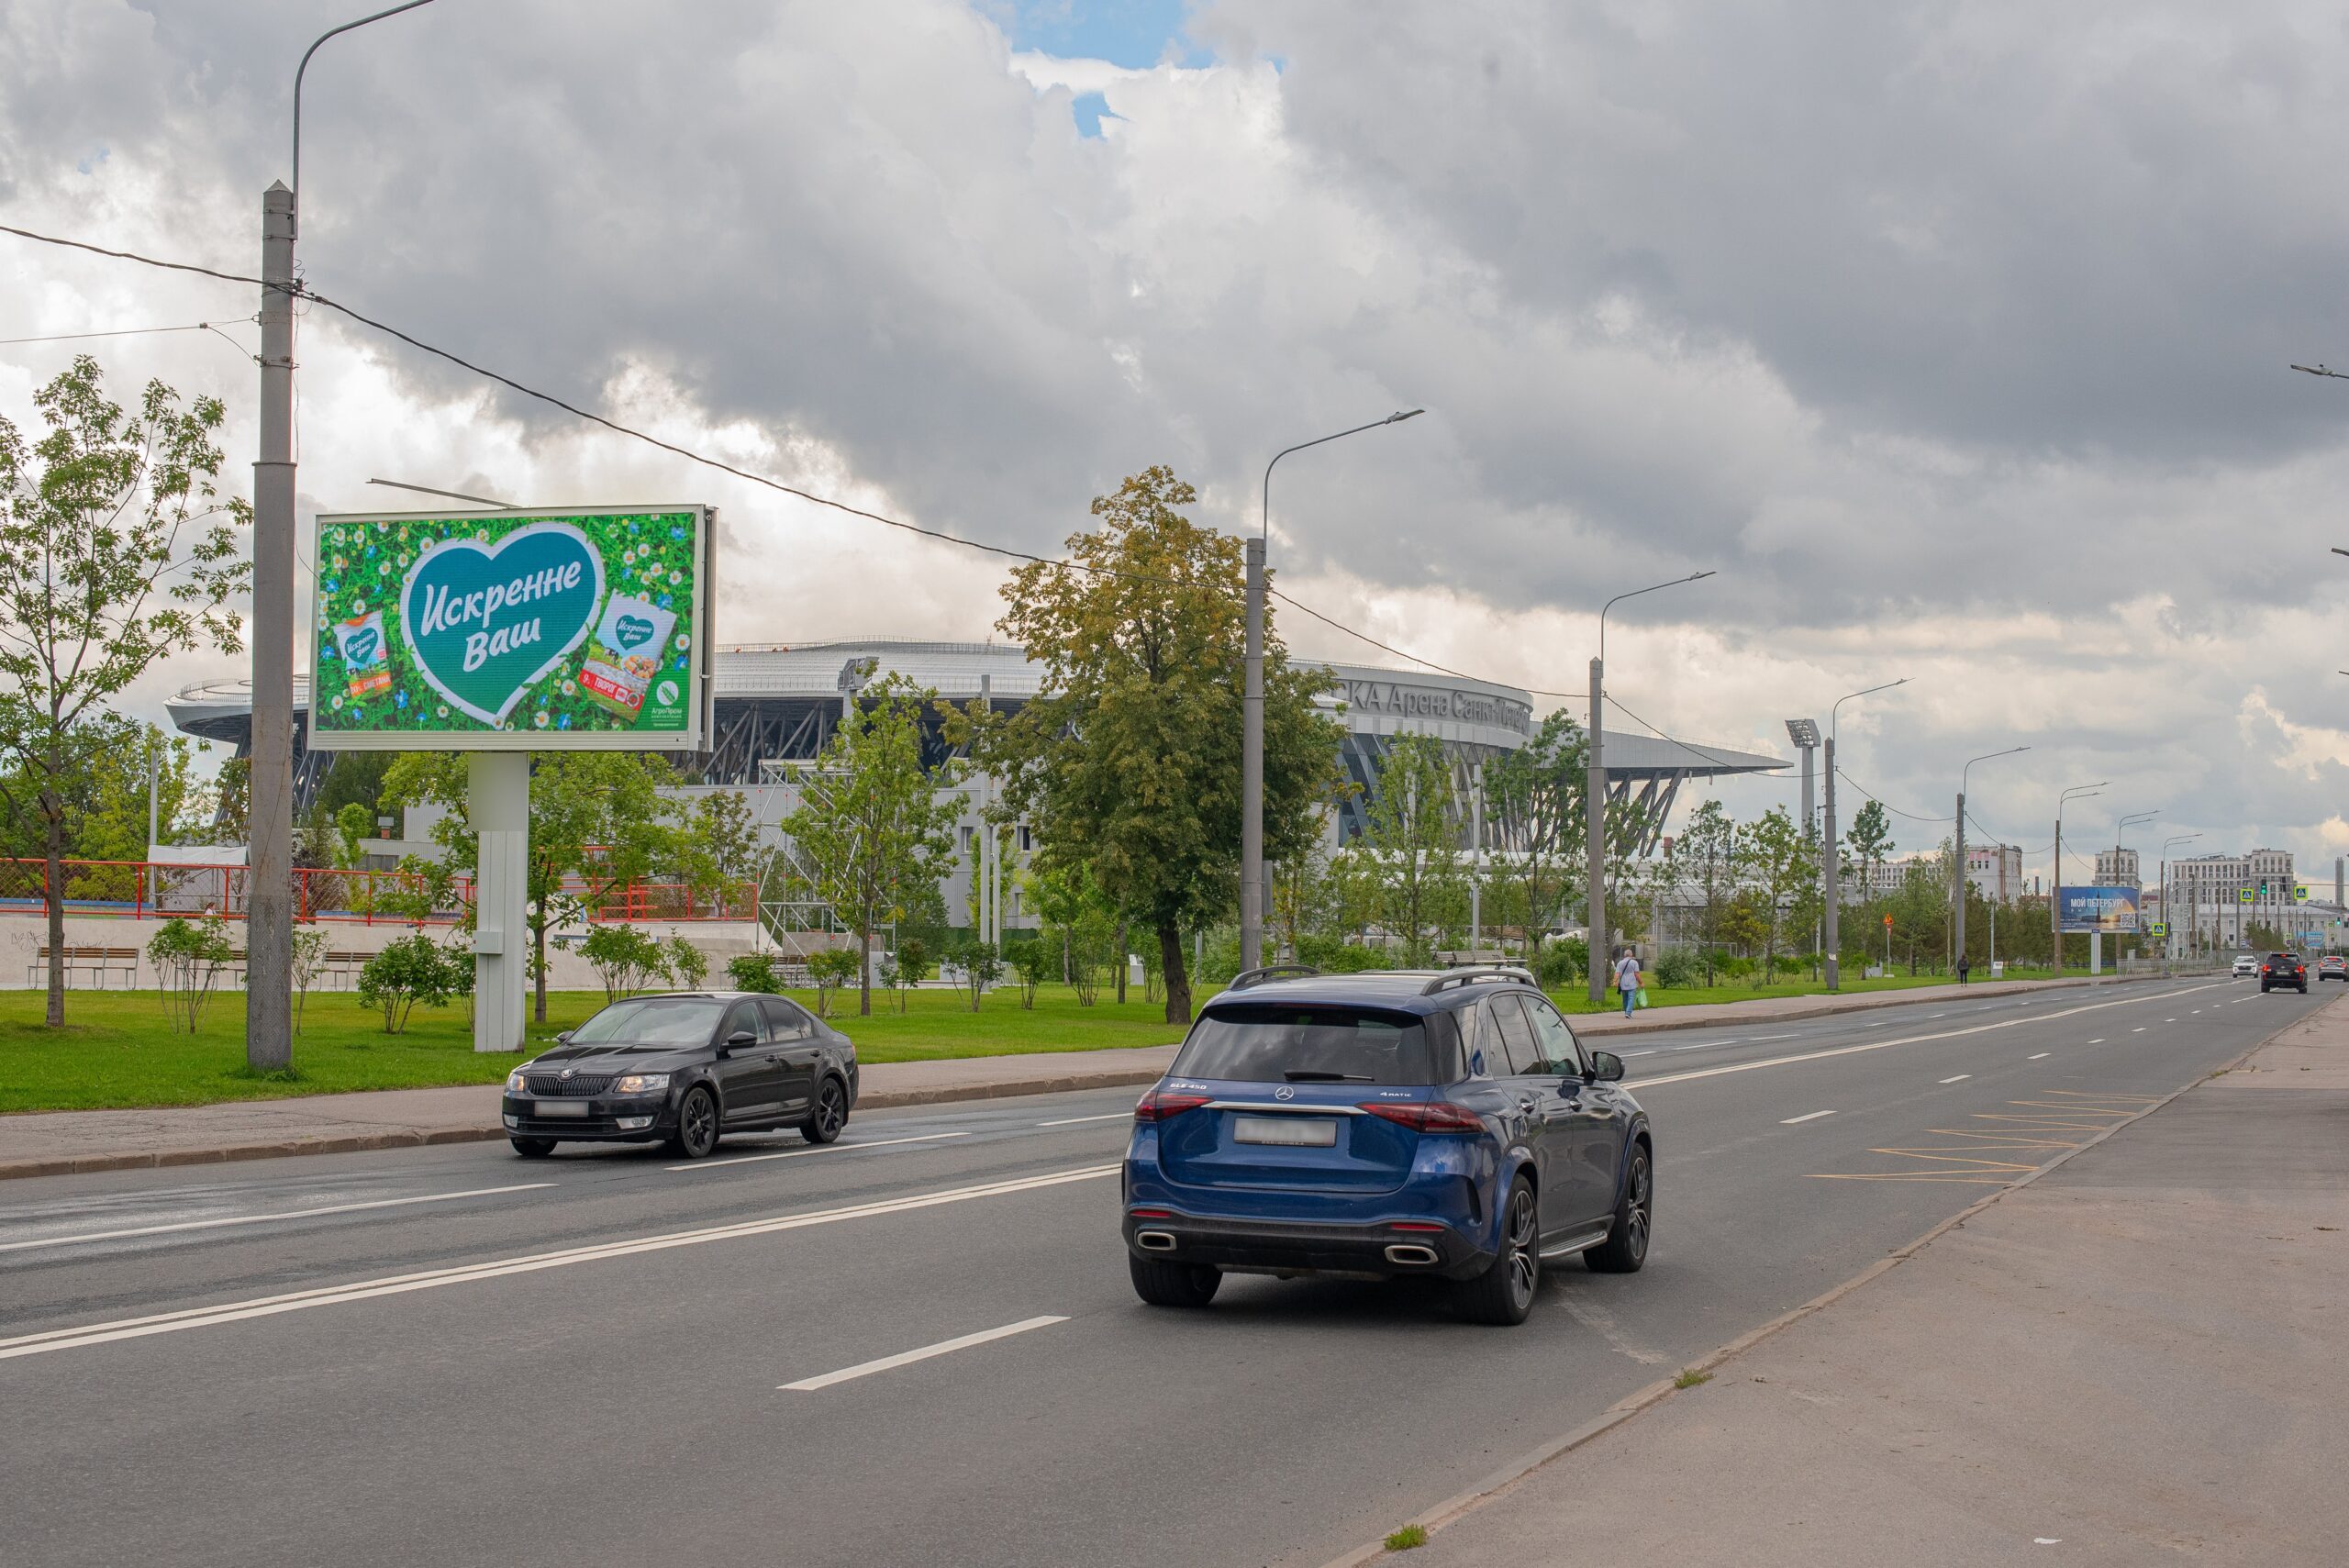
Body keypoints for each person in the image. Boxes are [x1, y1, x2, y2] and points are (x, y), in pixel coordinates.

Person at [1614, 947, 1641, 1018]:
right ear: (1631, 955)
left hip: (1623, 984)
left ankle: (1626, 1012)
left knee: (1625, 999)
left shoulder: (1620, 963)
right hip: (1632, 983)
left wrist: (1615, 981)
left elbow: (1617, 973)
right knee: (1631, 998)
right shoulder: (1634, 962)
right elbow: (1636, 974)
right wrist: (1641, 982)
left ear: (1624, 955)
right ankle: (1628, 1013)